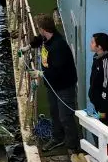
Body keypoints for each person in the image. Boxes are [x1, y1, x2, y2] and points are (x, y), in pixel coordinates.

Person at [30, 13, 78, 149]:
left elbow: (58, 70)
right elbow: (38, 40)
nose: (38, 31)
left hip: (64, 86)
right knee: (54, 112)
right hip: (52, 85)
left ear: (43, 29)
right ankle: (58, 138)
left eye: (39, 28)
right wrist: (29, 46)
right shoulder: (48, 38)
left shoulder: (59, 46)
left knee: (65, 117)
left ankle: (72, 146)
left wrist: (40, 73)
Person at [88, 33, 108, 131]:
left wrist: (102, 110)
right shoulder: (97, 58)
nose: (90, 44)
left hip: (105, 108)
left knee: (104, 132)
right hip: (97, 104)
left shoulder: (107, 62)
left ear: (99, 47)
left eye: (93, 42)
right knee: (96, 130)